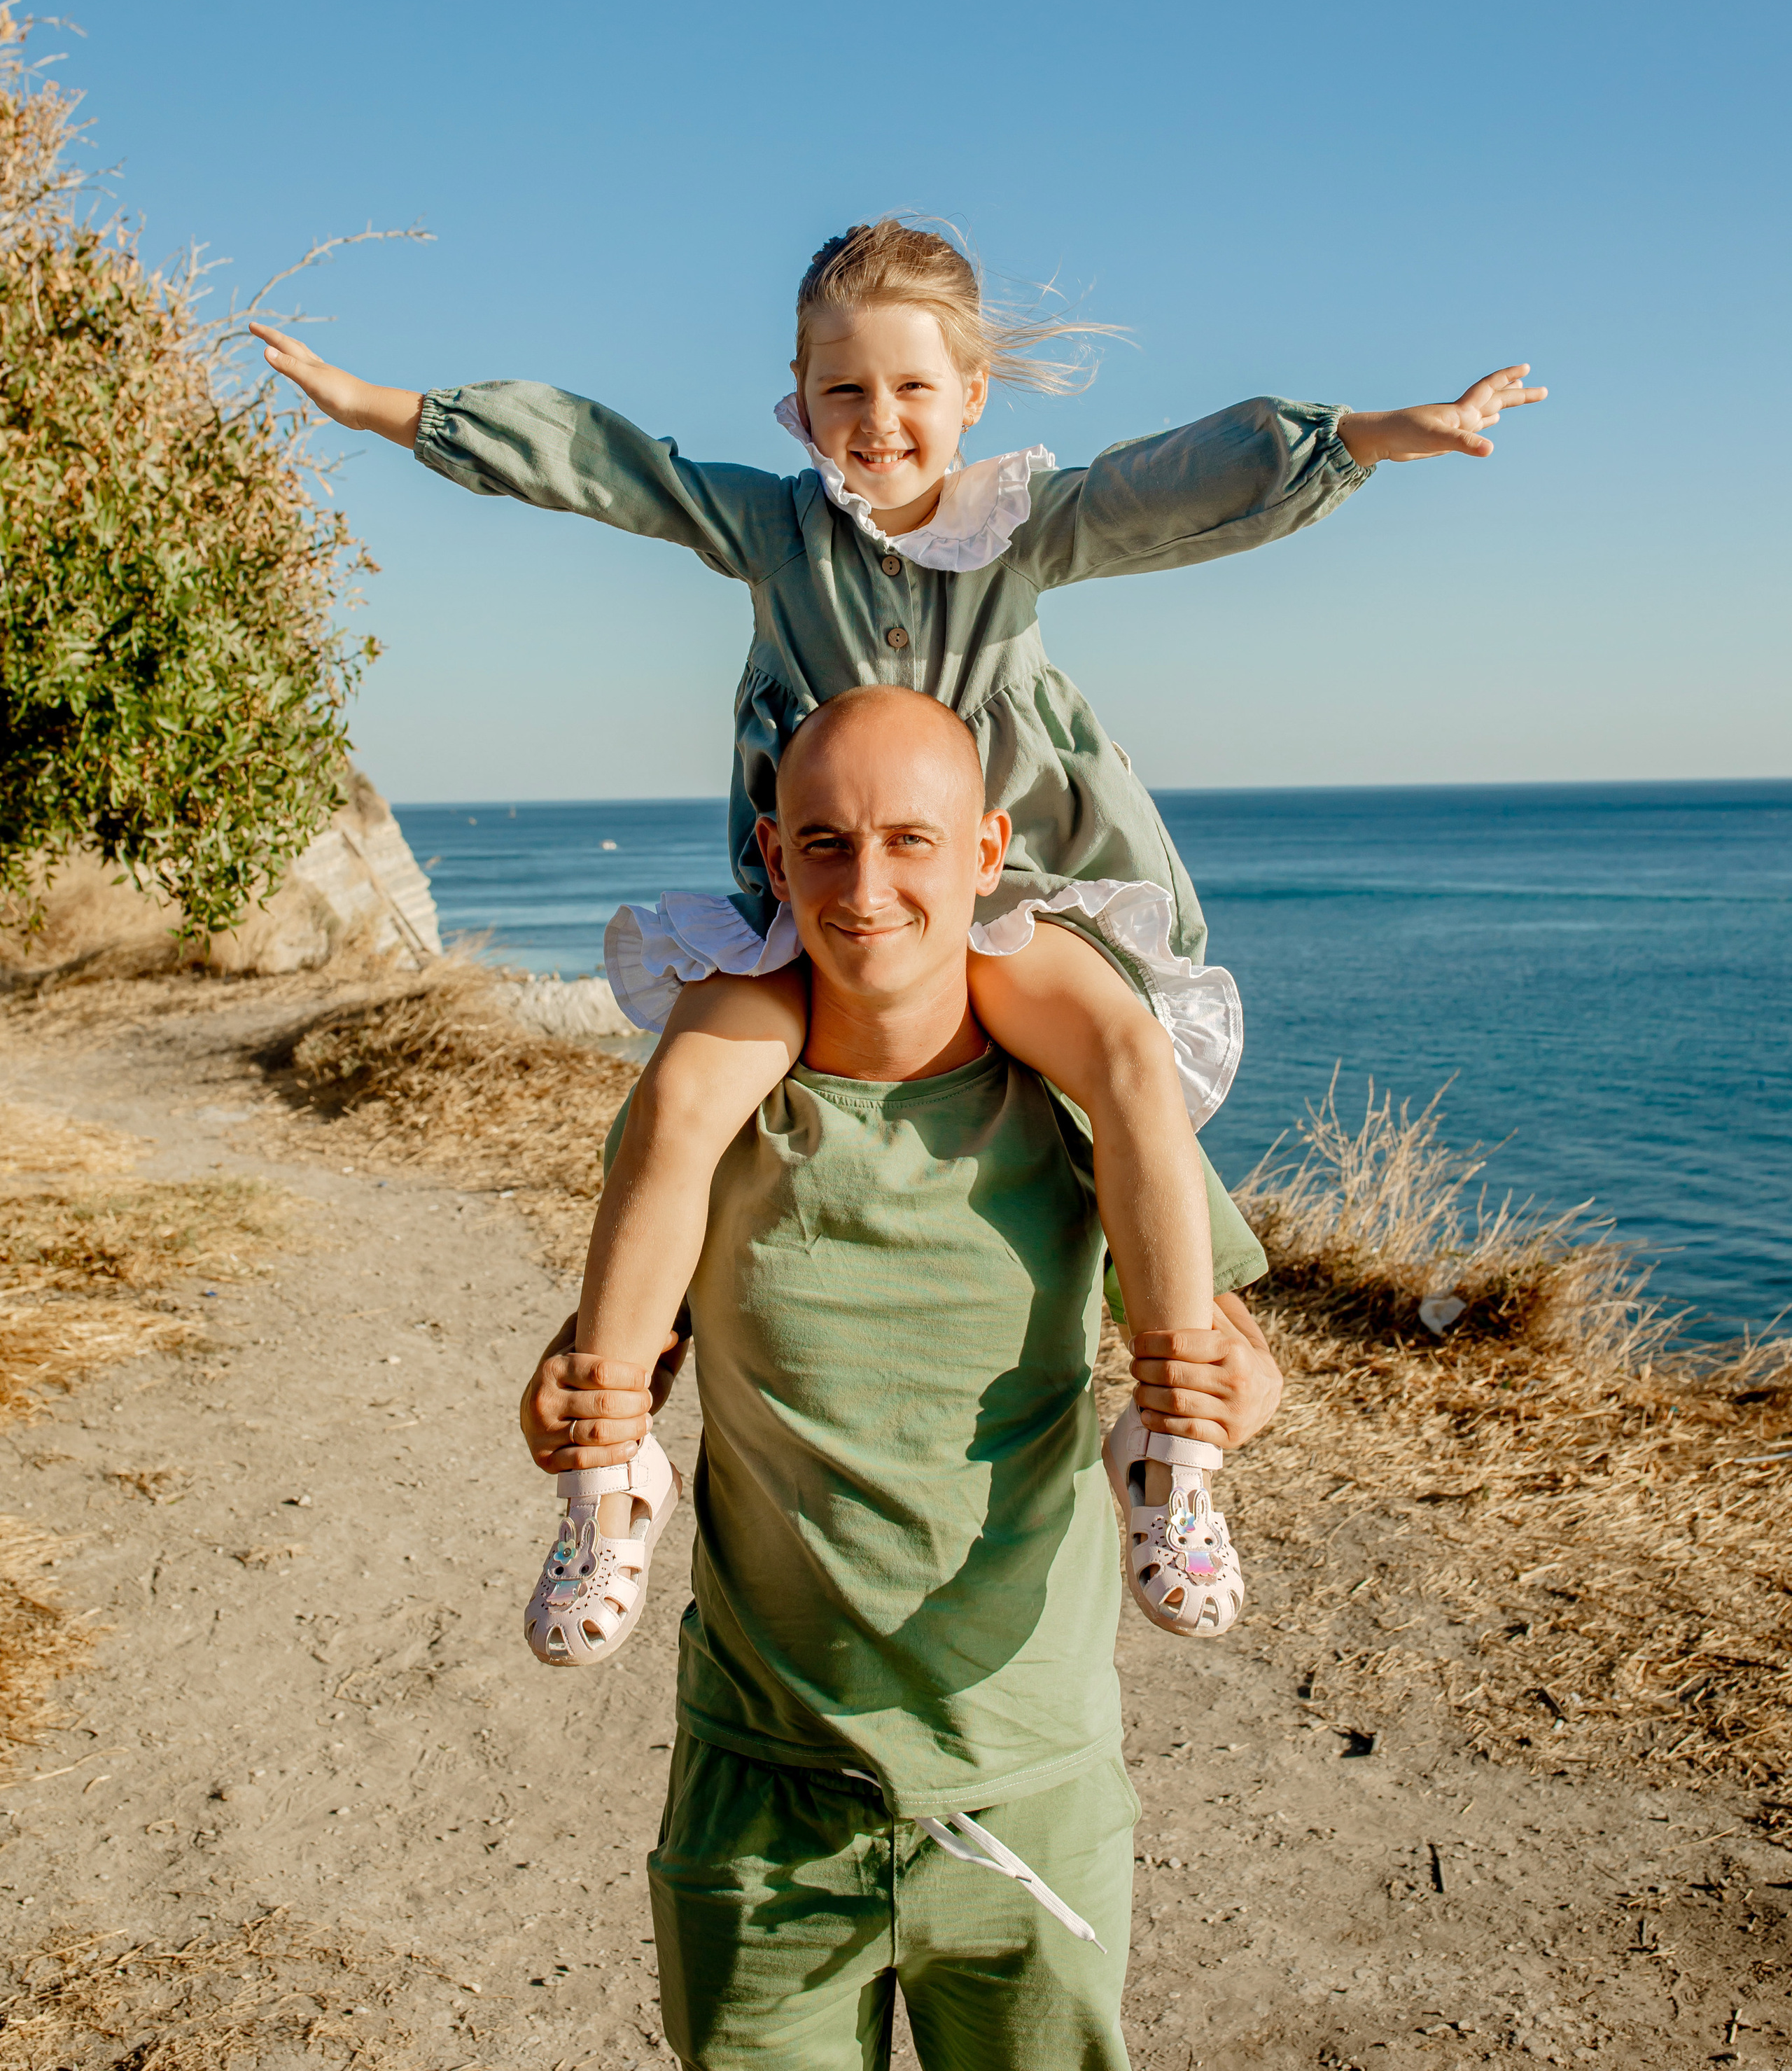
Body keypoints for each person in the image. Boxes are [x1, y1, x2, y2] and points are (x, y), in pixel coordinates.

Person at [254, 216, 1543, 1652]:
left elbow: (1176, 485)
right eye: (843, 391)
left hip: (1000, 894)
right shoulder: (768, 526)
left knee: (1112, 1059)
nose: (877, 424)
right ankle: (610, 1462)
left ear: (970, 395)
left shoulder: (1024, 528)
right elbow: (614, 471)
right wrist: (398, 412)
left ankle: (1174, 1448)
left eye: (911, 389)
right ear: (799, 399)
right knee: (684, 1092)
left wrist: (1365, 436)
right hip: (820, 900)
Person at [517, 688, 1284, 2071]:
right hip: (763, 1796)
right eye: (824, 845)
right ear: (774, 856)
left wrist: (1217, 1404)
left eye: (908, 842)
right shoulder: (713, 1098)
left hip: (1024, 1783)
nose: (865, 889)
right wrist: (566, 1415)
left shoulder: (1074, 1100)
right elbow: (598, 1359)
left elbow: (1244, 1354)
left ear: (986, 852)